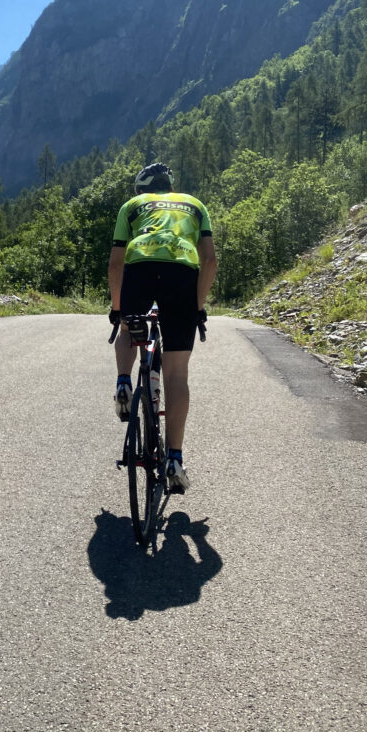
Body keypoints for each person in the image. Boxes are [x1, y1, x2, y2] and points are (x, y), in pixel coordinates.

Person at [108, 162, 217, 493]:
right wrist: (197, 307)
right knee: (177, 373)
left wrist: (117, 310)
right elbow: (210, 262)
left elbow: (115, 262)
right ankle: (174, 458)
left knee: (129, 330)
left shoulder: (132, 206)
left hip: (140, 270)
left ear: (142, 190)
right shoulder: (195, 205)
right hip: (182, 275)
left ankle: (124, 382)